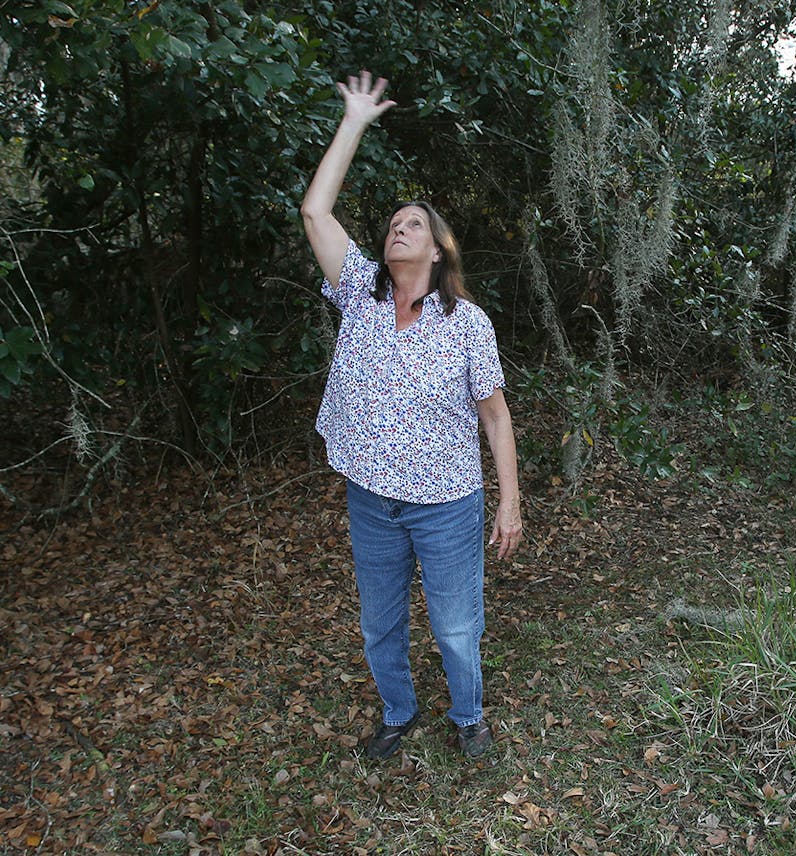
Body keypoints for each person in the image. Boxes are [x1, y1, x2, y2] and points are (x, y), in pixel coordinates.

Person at [301, 71, 522, 760]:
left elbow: (495, 416)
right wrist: (354, 123)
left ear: (437, 248)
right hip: (371, 500)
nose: (399, 231)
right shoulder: (359, 298)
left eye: (413, 225)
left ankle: (467, 716)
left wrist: (509, 502)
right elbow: (315, 213)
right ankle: (397, 711)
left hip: (446, 504)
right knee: (379, 625)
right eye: (393, 225)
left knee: (456, 628)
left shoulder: (467, 323)